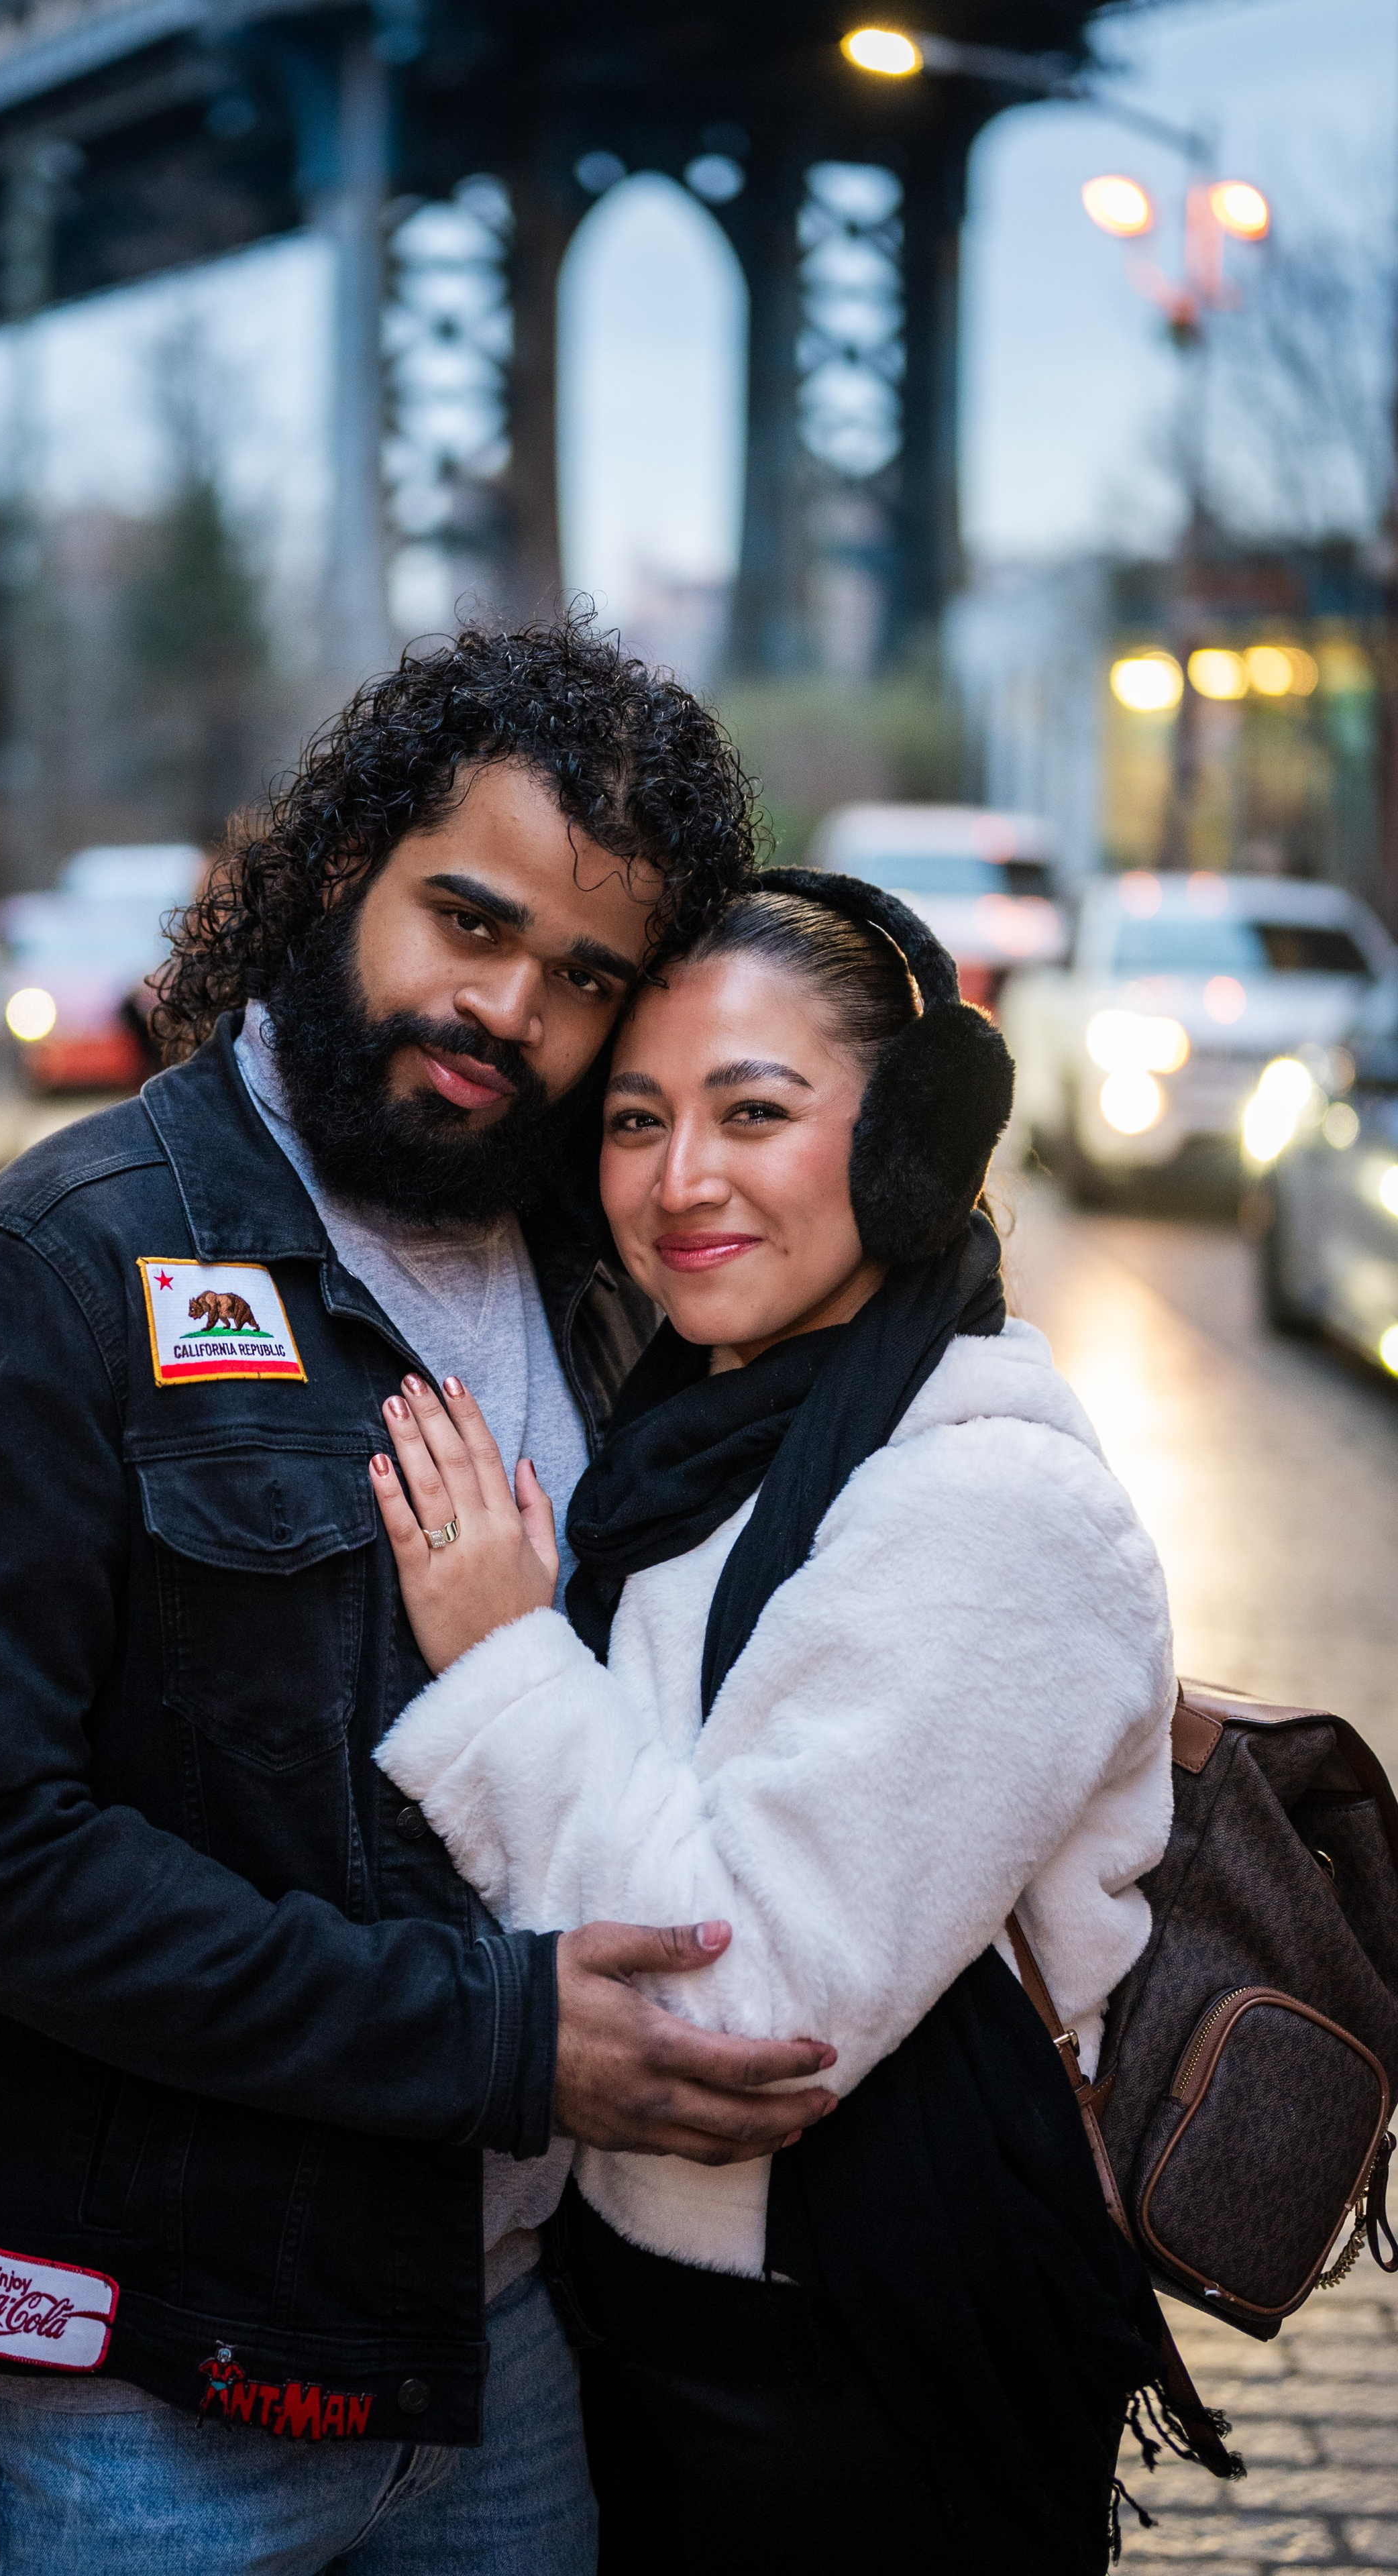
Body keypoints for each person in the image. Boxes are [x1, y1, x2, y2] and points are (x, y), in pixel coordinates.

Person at [0, 624, 843, 2576]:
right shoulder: (51, 1278)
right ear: (325, 871)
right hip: (156, 2398)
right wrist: (490, 2036)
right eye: (463, 917)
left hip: (504, 2352)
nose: (503, 1007)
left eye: (582, 979)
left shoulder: (610, 1285)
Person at [370, 873, 1200, 2575]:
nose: (682, 1182)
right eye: (634, 1119)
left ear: (908, 1147)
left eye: (754, 1112)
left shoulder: (991, 1506)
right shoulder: (692, 1445)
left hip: (866, 2381)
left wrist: (503, 1659)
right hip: (668, 2336)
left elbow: (743, 2017)